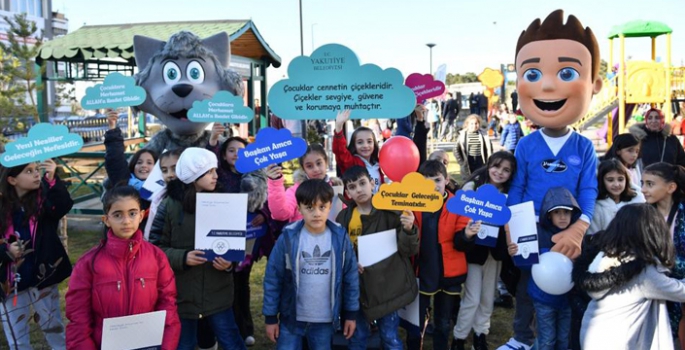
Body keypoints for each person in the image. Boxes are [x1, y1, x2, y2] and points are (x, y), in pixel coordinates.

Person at [501, 10, 603, 350]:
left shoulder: (583, 146)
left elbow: (588, 188)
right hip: (531, 226)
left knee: (568, 285)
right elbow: (517, 187)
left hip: (566, 228)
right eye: (533, 73)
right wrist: (513, 225)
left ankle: (567, 341)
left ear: (594, 85)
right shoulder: (527, 144)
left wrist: (581, 223)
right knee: (527, 285)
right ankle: (521, 337)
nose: (547, 86)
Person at [65, 185, 180, 349]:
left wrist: (167, 346)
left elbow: (167, 304)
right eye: (118, 215)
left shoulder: (156, 257)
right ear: (107, 220)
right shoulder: (88, 263)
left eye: (132, 213)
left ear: (141, 216)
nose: (126, 221)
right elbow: (78, 316)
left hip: (148, 344)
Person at [155, 147, 246, 350]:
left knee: (230, 339)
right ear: (194, 175)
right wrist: (182, 257)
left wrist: (229, 264)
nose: (216, 176)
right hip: (182, 294)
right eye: (209, 171)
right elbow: (155, 248)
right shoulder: (169, 205)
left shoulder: (226, 202)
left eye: (215, 170)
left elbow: (235, 244)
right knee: (183, 343)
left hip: (218, 293)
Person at [262, 179, 359, 349]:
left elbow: (350, 278)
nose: (316, 213)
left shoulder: (340, 237)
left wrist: (350, 314)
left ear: (330, 206)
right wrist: (270, 317)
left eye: (322, 207)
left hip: (324, 320)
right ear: (299, 208)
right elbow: (273, 278)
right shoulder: (288, 237)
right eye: (309, 207)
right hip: (291, 319)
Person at [573, 204, 685, 350]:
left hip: (593, 336)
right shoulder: (644, 272)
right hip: (621, 342)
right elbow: (681, 291)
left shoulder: (605, 257)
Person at [336, 166, 418, 350]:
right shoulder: (344, 217)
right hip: (357, 291)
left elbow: (408, 249)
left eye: (363, 183)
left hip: (386, 289)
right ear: (347, 192)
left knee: (389, 337)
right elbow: (340, 249)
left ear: (373, 183)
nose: (359, 189)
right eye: (352, 186)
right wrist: (349, 264)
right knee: (358, 338)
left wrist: (408, 229)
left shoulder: (390, 211)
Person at [0, 160, 73, 350]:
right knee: (17, 332)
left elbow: (62, 206)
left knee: (52, 325)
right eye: (29, 171)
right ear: (12, 179)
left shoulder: (43, 199)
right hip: (12, 282)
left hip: (43, 277)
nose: (36, 174)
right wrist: (6, 252)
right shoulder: (2, 208)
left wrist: (52, 180)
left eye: (37, 170)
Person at [407, 160, 478, 350]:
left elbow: (460, 243)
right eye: (426, 181)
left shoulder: (457, 204)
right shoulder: (413, 203)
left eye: (437, 180)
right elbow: (407, 241)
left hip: (449, 274)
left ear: (446, 180)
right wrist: (406, 227)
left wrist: (467, 235)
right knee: (416, 321)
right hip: (421, 272)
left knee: (443, 322)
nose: (433, 186)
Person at [451, 151, 517, 350]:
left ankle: (481, 334)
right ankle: (459, 337)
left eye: (506, 170)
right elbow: (460, 219)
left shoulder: (510, 194)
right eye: (496, 167)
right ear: (488, 166)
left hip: (494, 255)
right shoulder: (473, 188)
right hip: (474, 253)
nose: (500, 172)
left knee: (488, 297)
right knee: (472, 298)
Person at [512, 187, 580, 350]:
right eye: (557, 212)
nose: (563, 216)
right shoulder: (536, 234)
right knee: (547, 340)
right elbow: (525, 262)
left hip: (567, 299)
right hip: (543, 299)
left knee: (564, 339)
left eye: (566, 212)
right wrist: (522, 253)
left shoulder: (576, 236)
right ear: (549, 214)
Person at [641, 162, 685, 348]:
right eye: (642, 183)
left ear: (671, 187)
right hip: (653, 292)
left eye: (650, 184)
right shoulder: (641, 215)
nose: (643, 189)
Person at [104, 111, 158, 231]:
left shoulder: (161, 189)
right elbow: (115, 159)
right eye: (139, 162)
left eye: (149, 163)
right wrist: (112, 129)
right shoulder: (124, 182)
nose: (144, 166)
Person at [267, 144, 341, 223]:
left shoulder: (336, 187)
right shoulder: (296, 190)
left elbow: (344, 217)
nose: (315, 169)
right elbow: (281, 214)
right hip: (302, 234)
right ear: (303, 168)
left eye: (319, 163)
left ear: (326, 162)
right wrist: (275, 182)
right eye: (309, 166)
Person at [588, 159, 644, 235]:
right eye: (610, 180)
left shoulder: (637, 201)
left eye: (620, 179)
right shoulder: (596, 207)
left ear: (626, 180)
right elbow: (593, 237)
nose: (616, 184)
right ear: (601, 181)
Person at [334, 110, 384, 192]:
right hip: (359, 204)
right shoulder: (352, 163)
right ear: (354, 145)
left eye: (369, 141)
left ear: (374, 144)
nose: (365, 145)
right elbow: (340, 152)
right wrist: (338, 128)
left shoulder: (377, 164)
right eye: (360, 142)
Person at [144, 148, 184, 243]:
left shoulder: (198, 193)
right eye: (164, 170)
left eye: (174, 169)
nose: (169, 175)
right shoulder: (159, 198)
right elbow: (151, 232)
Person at [454, 115, 493, 181]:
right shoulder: (463, 135)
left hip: (480, 160)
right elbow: (456, 149)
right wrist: (461, 161)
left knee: (481, 178)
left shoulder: (483, 134)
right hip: (469, 160)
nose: (474, 125)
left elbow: (489, 147)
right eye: (471, 123)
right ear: (467, 124)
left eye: (476, 123)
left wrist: (489, 159)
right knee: (469, 178)